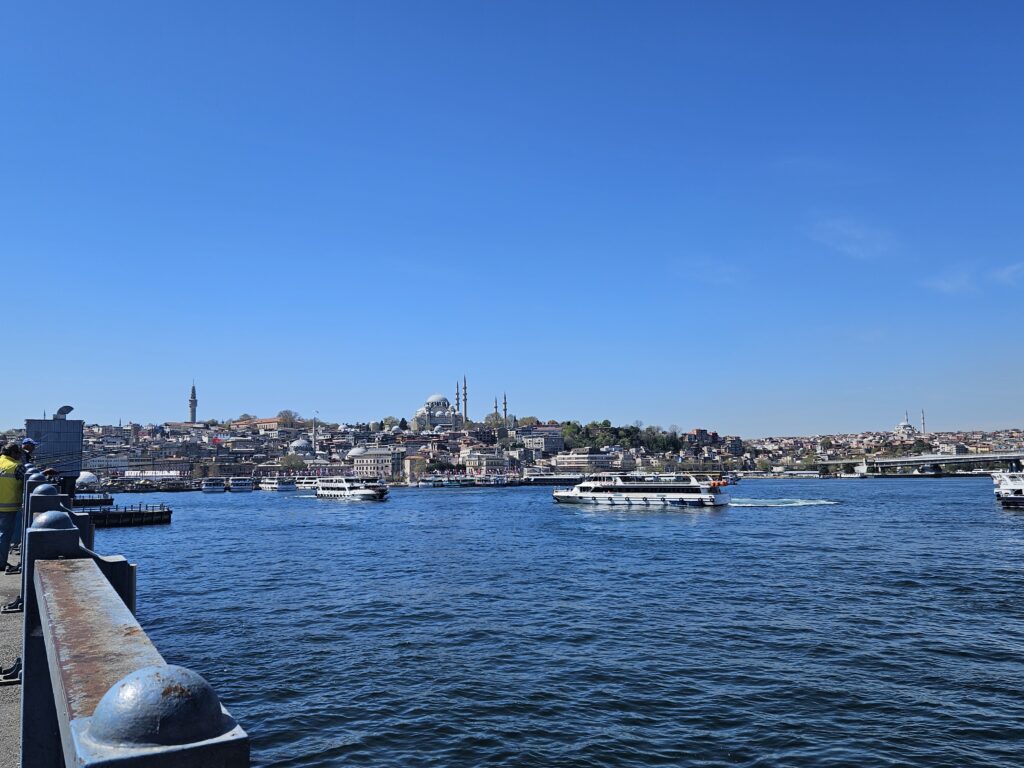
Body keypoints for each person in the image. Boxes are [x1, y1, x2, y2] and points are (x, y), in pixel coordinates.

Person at [0, 443, 25, 570]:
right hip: (7, 507)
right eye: (18, 453)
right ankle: (1, 563)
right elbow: (30, 477)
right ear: (13, 454)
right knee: (4, 536)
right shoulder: (16, 466)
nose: (20, 456)